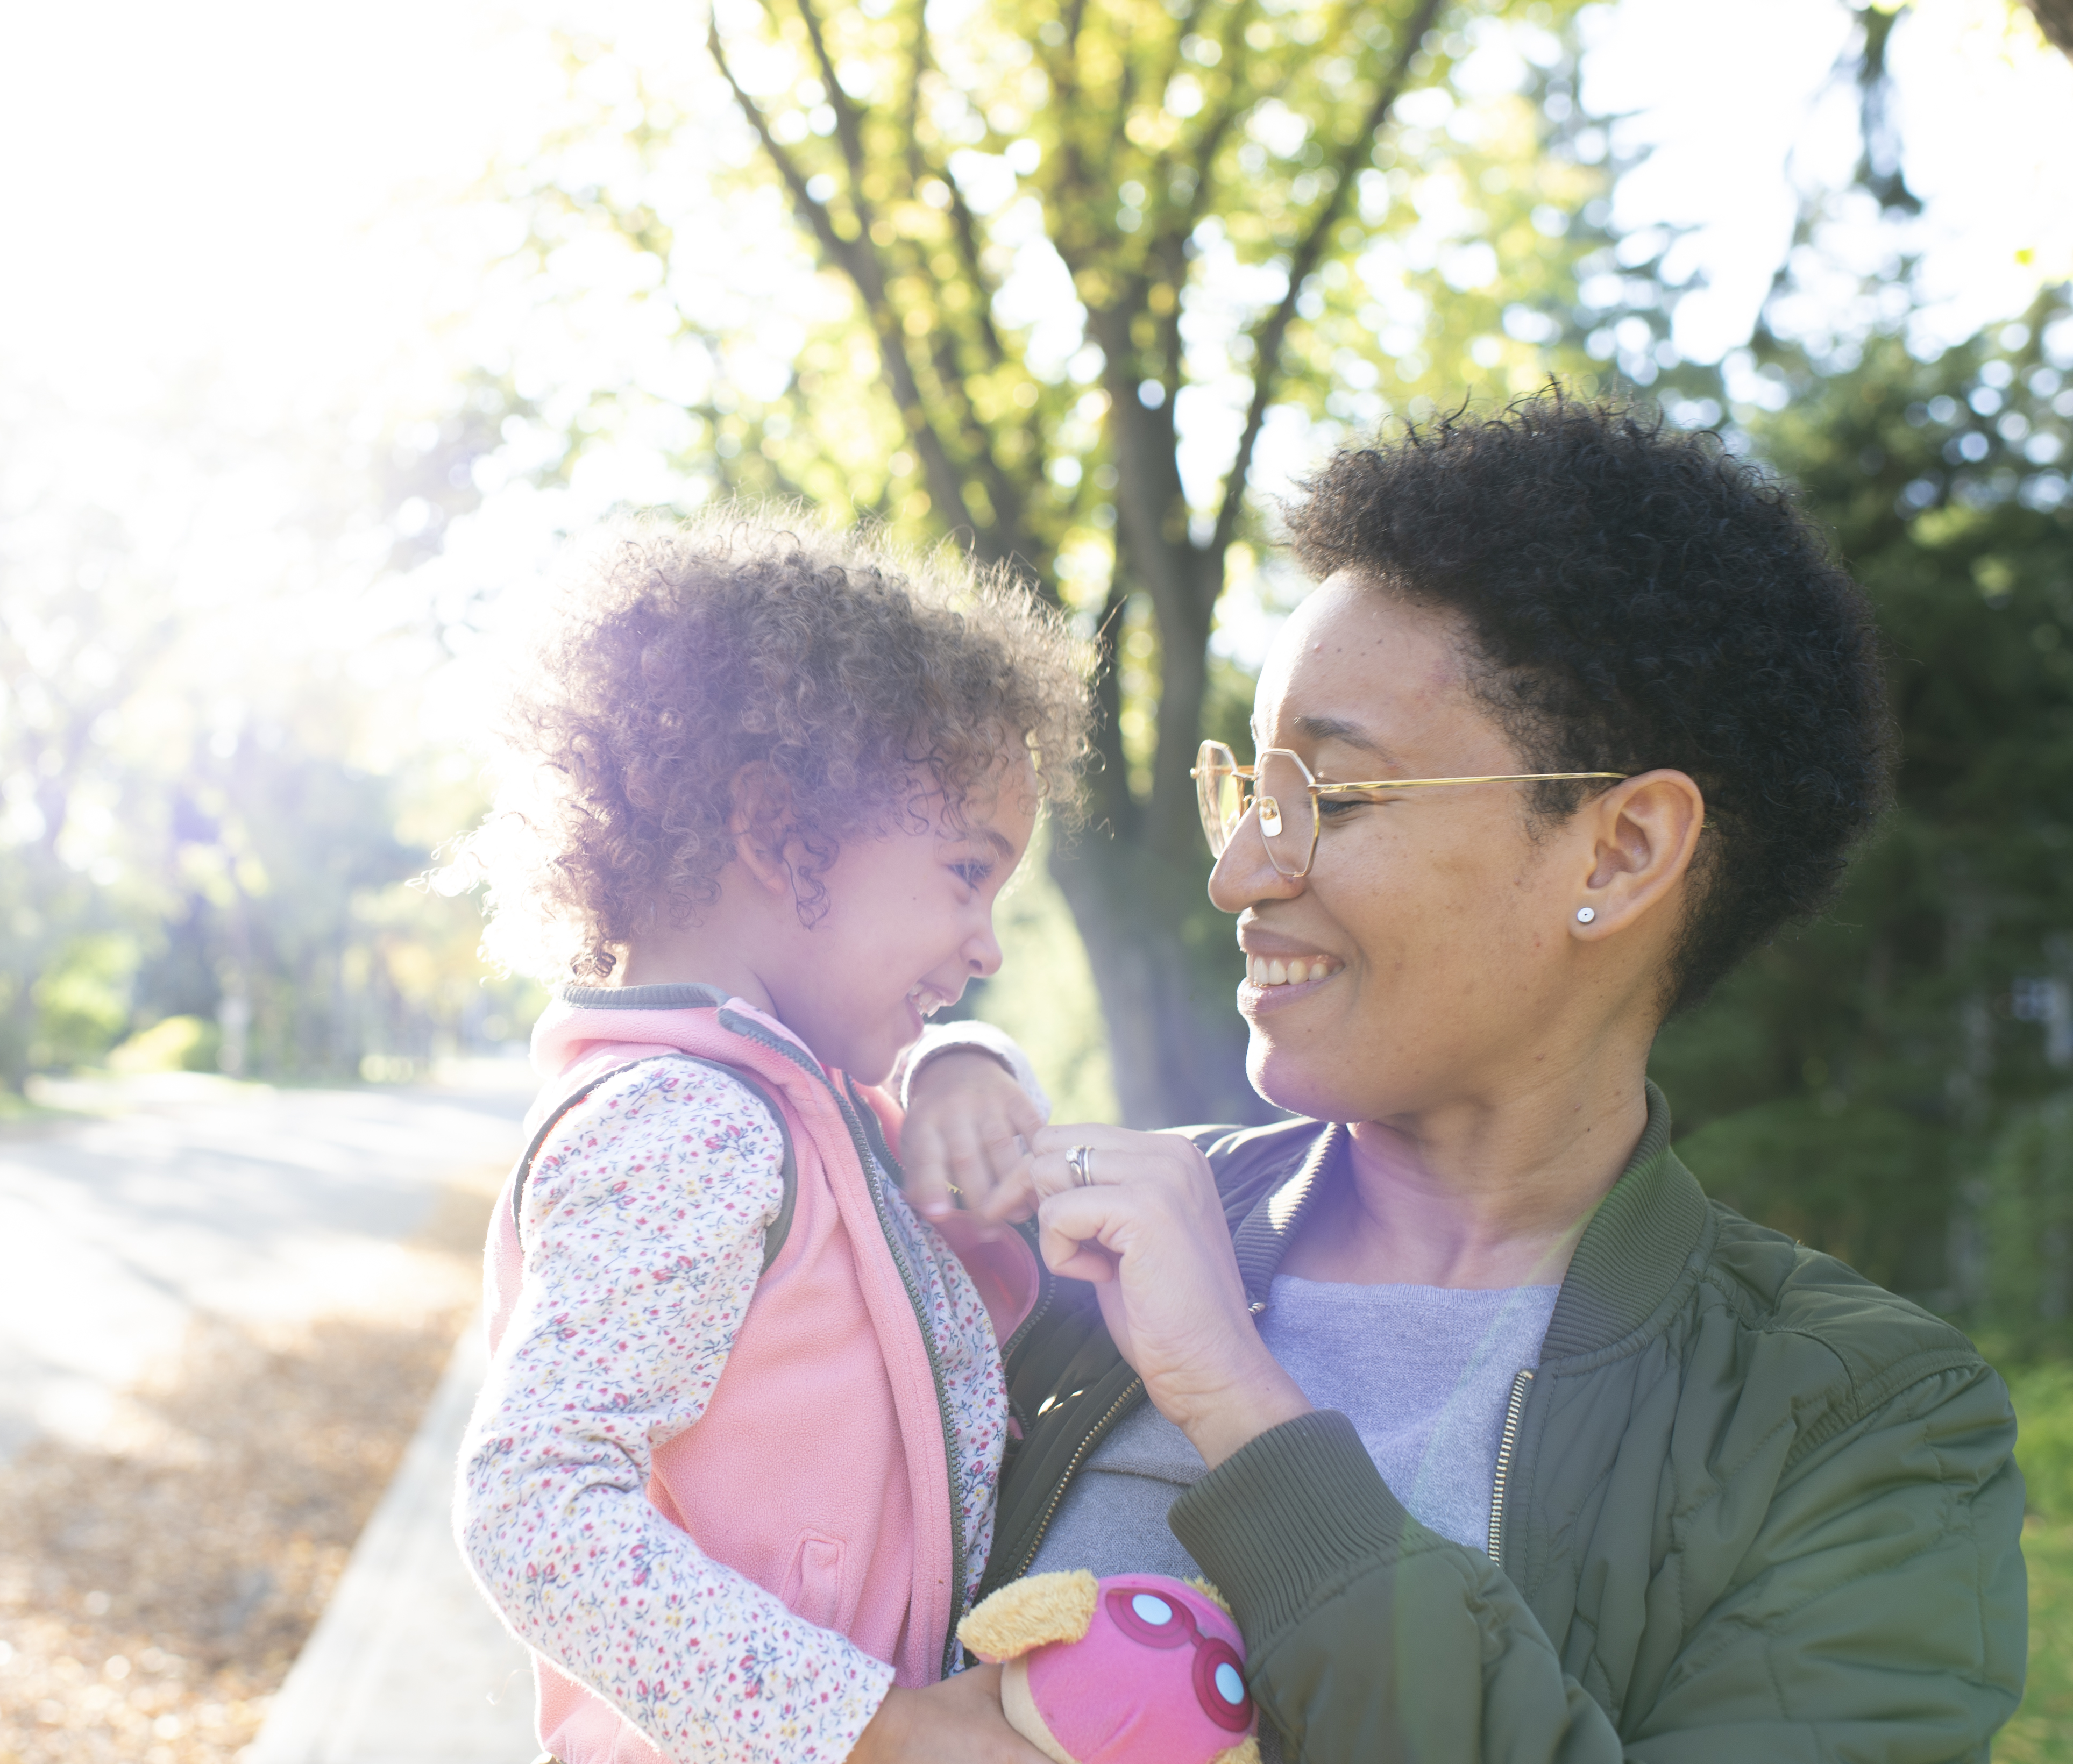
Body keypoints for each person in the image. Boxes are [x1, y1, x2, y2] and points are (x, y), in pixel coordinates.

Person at [900, 393, 2029, 1759]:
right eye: (1243, 790)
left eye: (1333, 792)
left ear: (1617, 852)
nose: (1240, 871)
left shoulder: (1860, 1427)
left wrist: (1250, 1421)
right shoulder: (1073, 1245)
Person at [450, 513, 1087, 1764]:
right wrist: (880, 1729)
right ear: (779, 835)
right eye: (967, 871)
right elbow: (534, 1508)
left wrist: (967, 1059)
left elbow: (923, 1156)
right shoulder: (685, 1124)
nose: (988, 944)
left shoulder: (803, 1097)